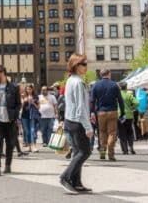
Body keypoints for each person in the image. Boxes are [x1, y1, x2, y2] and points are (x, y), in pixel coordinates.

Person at [59, 54, 94, 194]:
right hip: (78, 121)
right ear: (76, 66)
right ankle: (65, 177)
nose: (86, 67)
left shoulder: (70, 80)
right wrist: (88, 126)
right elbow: (80, 107)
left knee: (78, 152)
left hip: (70, 120)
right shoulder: (78, 82)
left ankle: (76, 182)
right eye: (83, 64)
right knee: (84, 152)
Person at [90, 69, 124, 161]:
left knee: (102, 132)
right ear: (109, 74)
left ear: (101, 75)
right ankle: (111, 154)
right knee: (112, 133)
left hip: (101, 112)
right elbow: (120, 100)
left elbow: (92, 100)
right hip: (113, 111)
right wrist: (123, 113)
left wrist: (92, 112)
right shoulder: (114, 85)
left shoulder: (96, 85)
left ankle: (102, 152)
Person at [117, 82, 138, 155]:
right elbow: (137, 102)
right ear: (126, 87)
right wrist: (132, 108)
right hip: (129, 115)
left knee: (122, 132)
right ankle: (131, 147)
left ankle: (124, 149)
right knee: (129, 131)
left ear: (119, 87)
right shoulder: (129, 94)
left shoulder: (117, 95)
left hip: (120, 115)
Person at [20, 84, 40, 152]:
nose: (28, 90)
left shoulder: (35, 96)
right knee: (27, 132)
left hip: (32, 115)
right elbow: (20, 107)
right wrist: (24, 101)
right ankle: (29, 146)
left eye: (30, 89)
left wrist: (33, 102)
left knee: (32, 131)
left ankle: (33, 145)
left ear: (32, 89)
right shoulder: (23, 96)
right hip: (24, 116)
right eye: (27, 89)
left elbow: (38, 107)